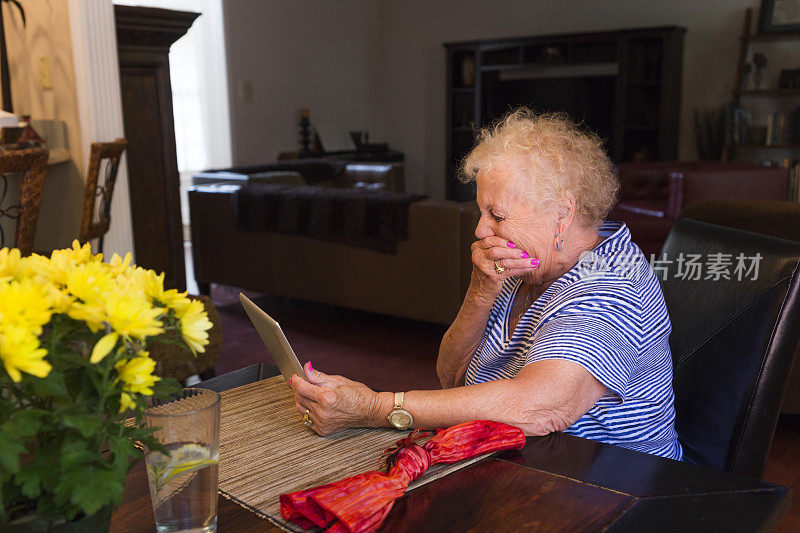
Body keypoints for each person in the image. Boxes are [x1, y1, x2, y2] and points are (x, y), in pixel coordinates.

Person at [289, 108, 682, 460]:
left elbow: (539, 408)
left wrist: (378, 409)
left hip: (614, 486)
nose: (480, 229)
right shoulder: (525, 263)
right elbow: (450, 376)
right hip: (521, 461)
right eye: (481, 212)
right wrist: (481, 290)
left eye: (496, 214)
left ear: (562, 213)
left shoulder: (611, 286)